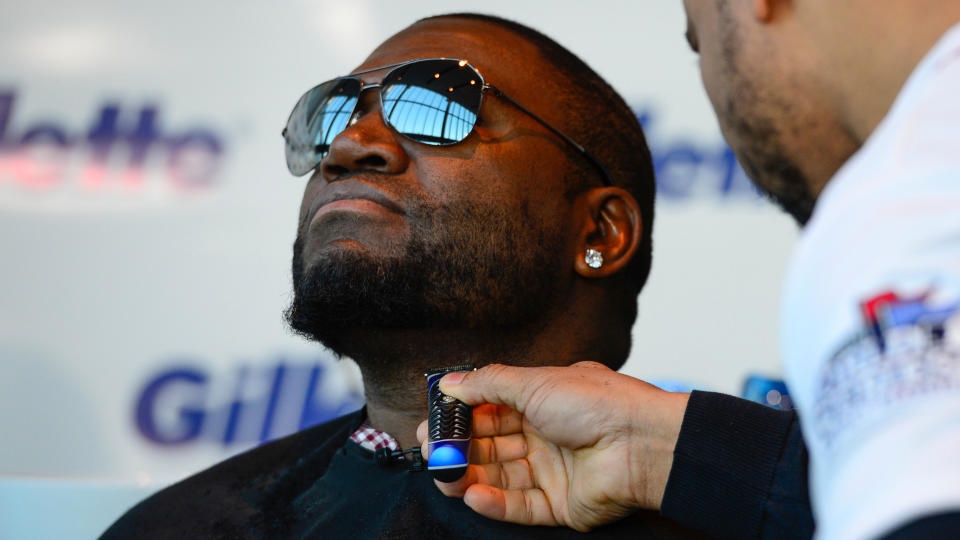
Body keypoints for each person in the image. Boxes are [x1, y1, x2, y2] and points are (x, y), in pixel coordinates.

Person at [101, 13, 709, 539]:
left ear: (599, 233)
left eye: (438, 106)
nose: (346, 146)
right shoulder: (176, 527)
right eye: (333, 115)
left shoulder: (751, 508)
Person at [423, 1, 960, 539]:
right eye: (337, 111)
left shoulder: (911, 198)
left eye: (697, 41)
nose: (352, 147)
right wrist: (666, 450)